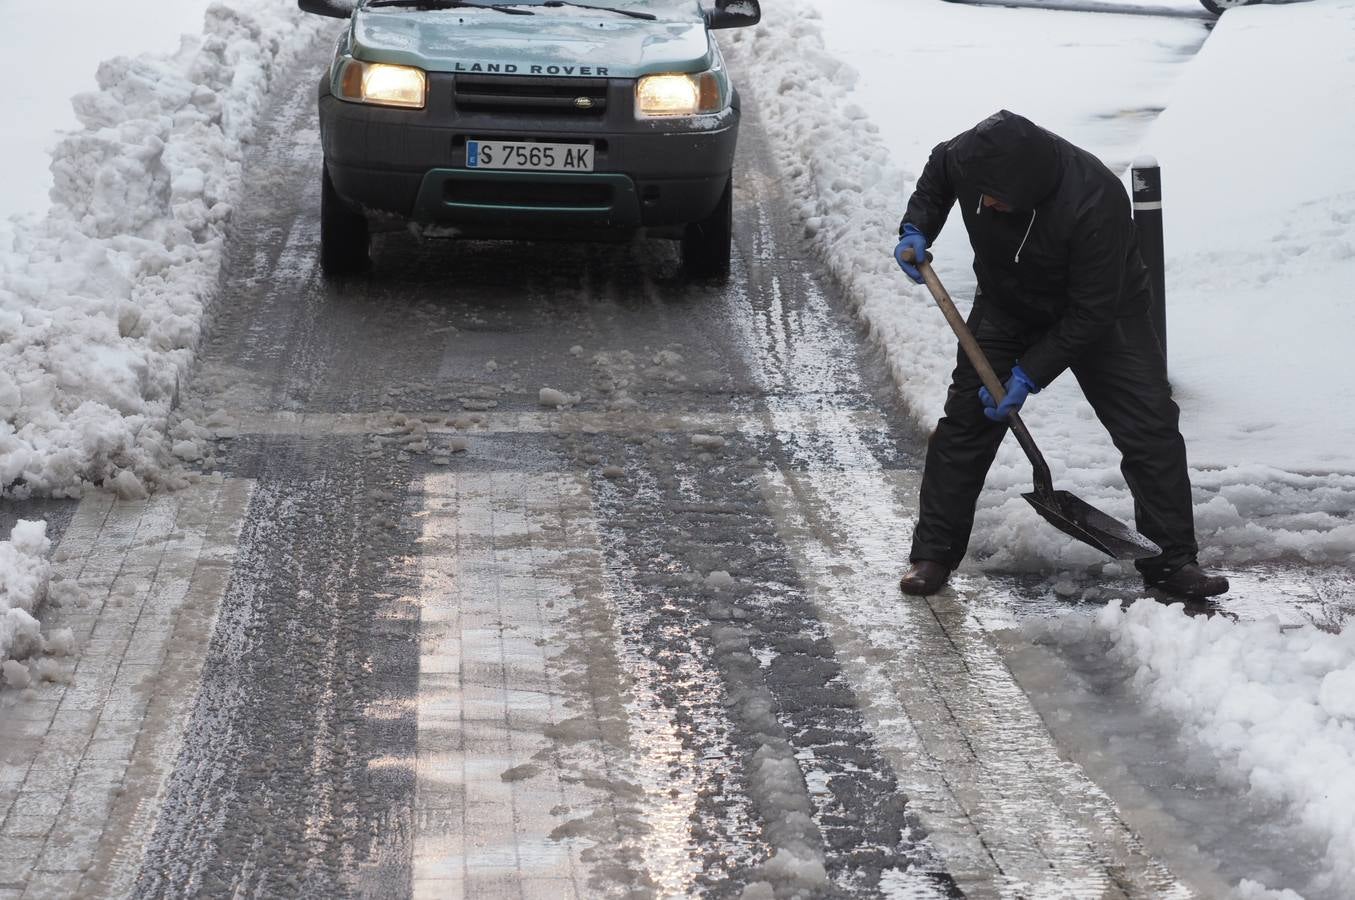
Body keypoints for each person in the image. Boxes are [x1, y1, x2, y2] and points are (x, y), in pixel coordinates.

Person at [891, 110, 1228, 601]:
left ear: (1028, 191)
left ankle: (1173, 562)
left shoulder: (1095, 199)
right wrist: (916, 227)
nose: (983, 203)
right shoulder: (969, 157)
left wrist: (1028, 376)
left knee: (1149, 427)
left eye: (995, 199)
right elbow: (939, 172)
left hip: (1105, 312)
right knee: (965, 422)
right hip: (1007, 302)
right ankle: (933, 556)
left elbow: (1091, 313)